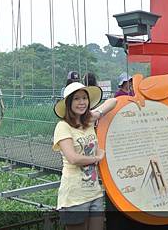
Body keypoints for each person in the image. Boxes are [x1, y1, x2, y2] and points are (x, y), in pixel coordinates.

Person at [52, 81, 117, 230]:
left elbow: (113, 101)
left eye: (84, 98)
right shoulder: (63, 126)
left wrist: (98, 113)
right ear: (68, 103)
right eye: (76, 99)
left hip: (94, 193)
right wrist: (97, 158)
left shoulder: (88, 120)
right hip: (74, 196)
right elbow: (73, 158)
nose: (81, 102)